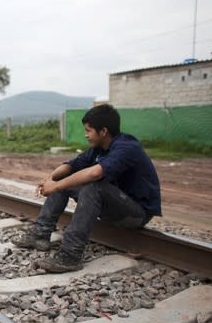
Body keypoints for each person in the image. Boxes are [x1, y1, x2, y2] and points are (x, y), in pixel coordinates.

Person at [12, 104, 161, 272]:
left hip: (136, 214)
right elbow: (71, 165)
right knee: (66, 181)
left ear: (103, 131)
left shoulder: (127, 147)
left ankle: (71, 255)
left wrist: (55, 186)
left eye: (88, 130)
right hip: (115, 206)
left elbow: (95, 174)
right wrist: (50, 179)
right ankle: (40, 234)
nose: (86, 135)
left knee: (93, 187)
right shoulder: (99, 149)